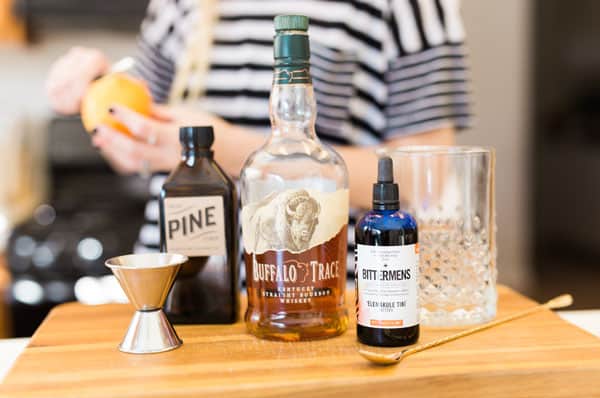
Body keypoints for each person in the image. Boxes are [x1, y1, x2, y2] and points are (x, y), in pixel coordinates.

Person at [46, 0, 471, 253]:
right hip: (181, 286)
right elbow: (143, 141)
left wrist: (226, 151)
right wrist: (101, 94)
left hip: (316, 290)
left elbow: (423, 176)